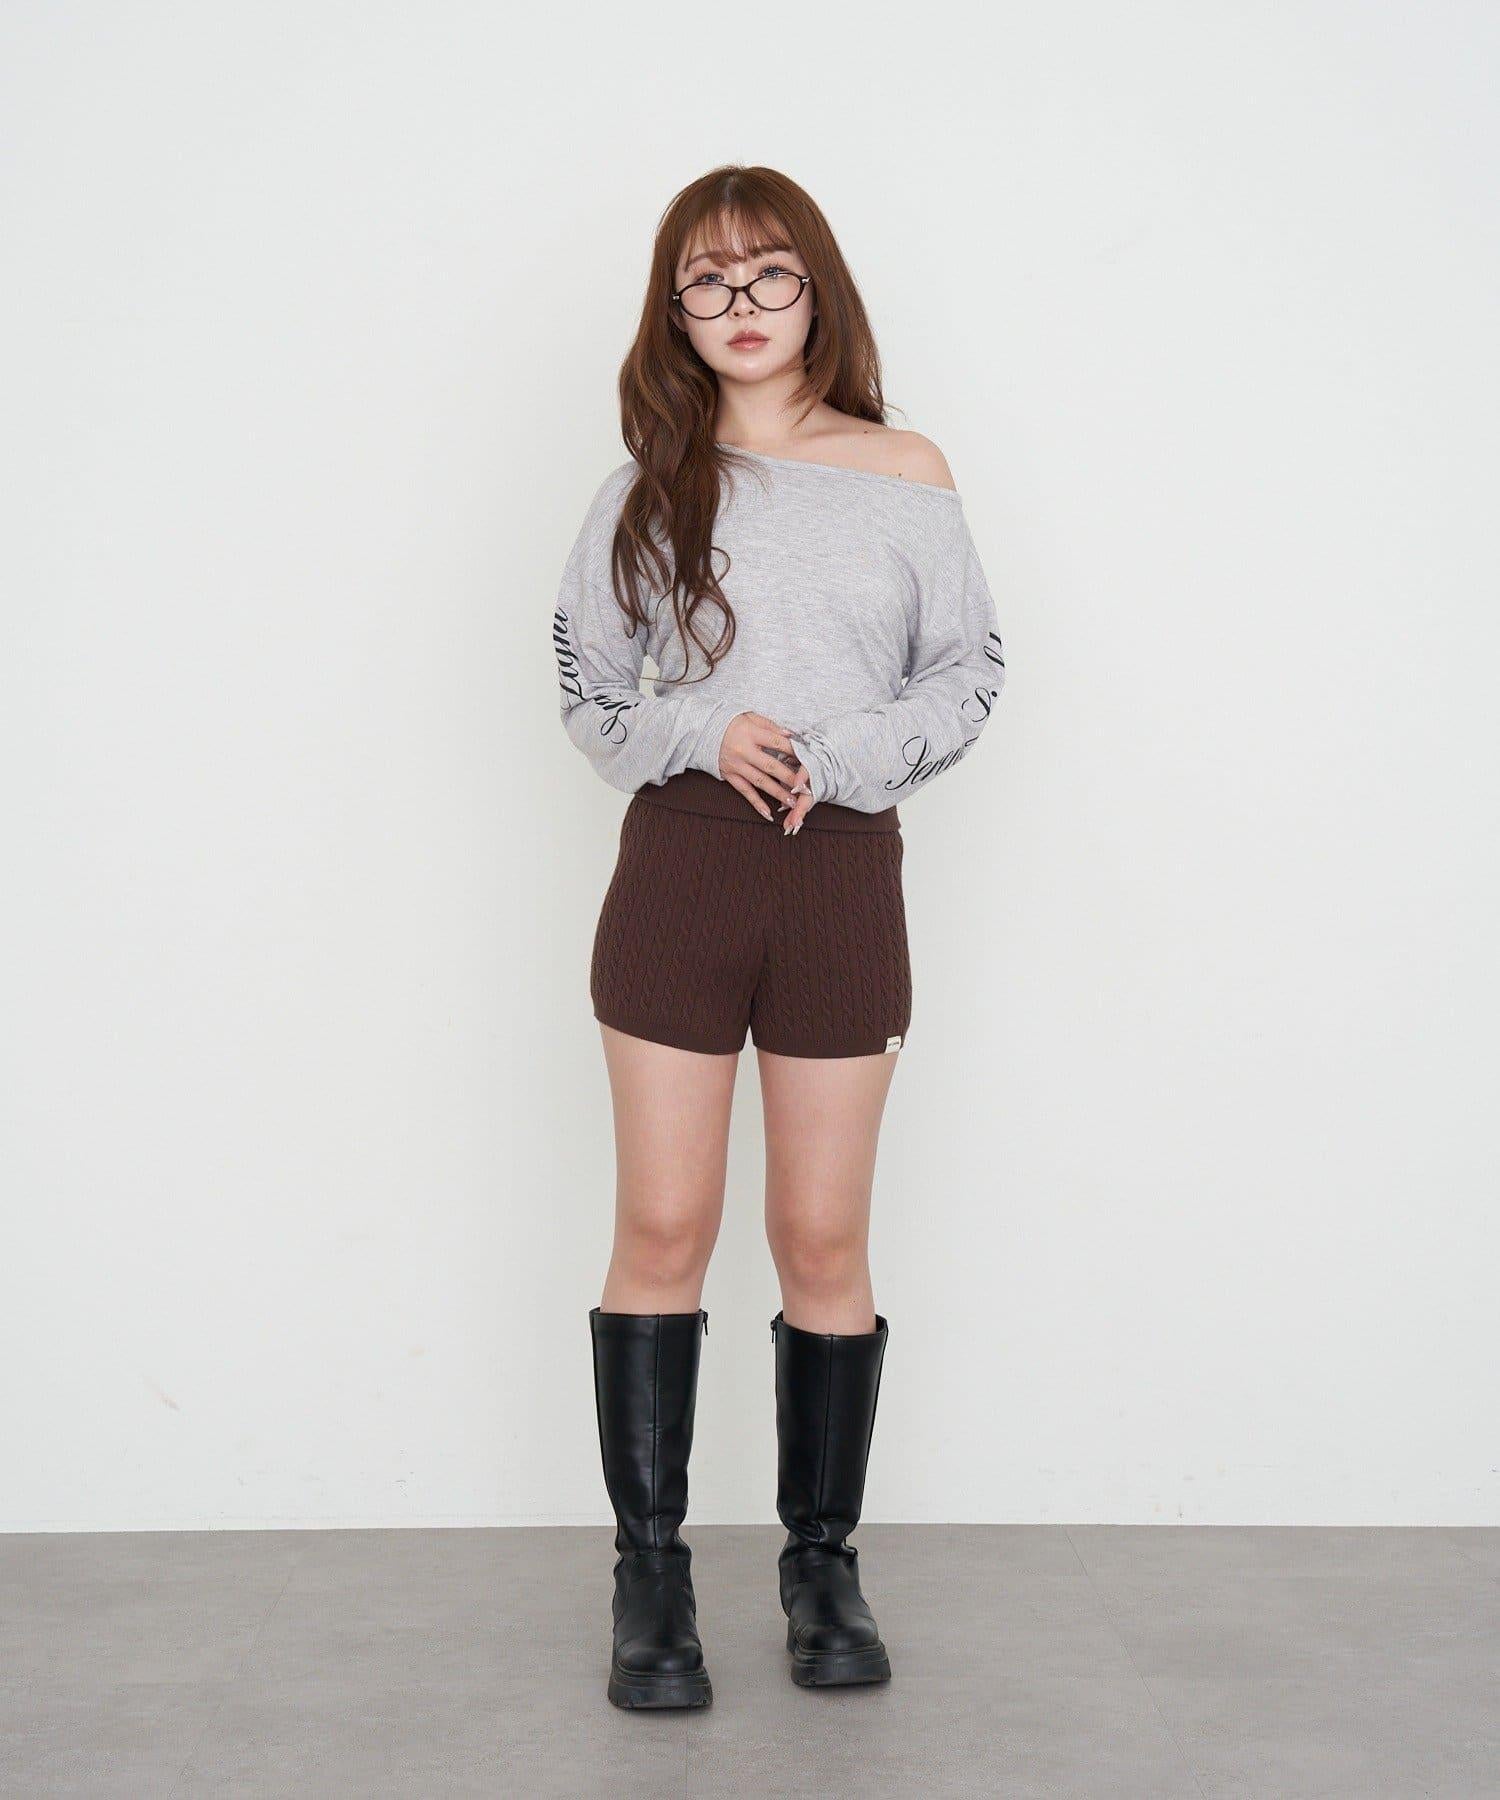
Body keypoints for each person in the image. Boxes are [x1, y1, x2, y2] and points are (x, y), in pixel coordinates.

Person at [552, 165, 1006, 1710]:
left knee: (821, 1237)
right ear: (672, 311)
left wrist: (842, 756)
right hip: (681, 869)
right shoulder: (643, 489)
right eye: (707, 280)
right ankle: (652, 1579)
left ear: (817, 288)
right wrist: (707, 731)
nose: (739, 305)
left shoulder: (905, 471)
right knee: (663, 1225)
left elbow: (967, 671)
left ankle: (822, 1567)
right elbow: (590, 695)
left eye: (768, 274)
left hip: (841, 871)